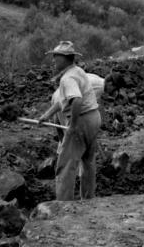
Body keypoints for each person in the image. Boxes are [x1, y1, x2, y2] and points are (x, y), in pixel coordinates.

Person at [41, 41, 101, 201]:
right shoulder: (78, 71)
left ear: (66, 58)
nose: (53, 60)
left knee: (66, 166)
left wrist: (72, 126)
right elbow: (64, 101)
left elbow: (76, 100)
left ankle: (63, 206)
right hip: (94, 118)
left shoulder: (67, 78)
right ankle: (88, 200)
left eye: (56, 57)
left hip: (81, 122)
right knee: (88, 162)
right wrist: (46, 115)